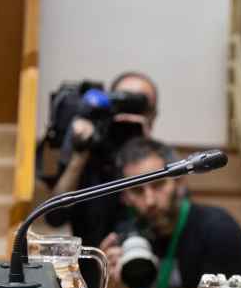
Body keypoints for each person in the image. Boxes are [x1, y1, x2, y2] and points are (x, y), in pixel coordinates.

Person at [100, 137, 241, 288]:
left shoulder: (216, 228)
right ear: (124, 197)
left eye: (158, 185)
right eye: (137, 191)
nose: (150, 201)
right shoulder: (126, 236)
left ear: (179, 183)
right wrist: (109, 287)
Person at [45, 71, 158, 248]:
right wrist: (80, 154)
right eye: (122, 103)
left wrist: (144, 150)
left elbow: (161, 221)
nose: (128, 116)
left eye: (138, 106)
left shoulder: (162, 161)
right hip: (89, 264)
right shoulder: (89, 150)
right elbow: (54, 217)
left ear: (153, 115)